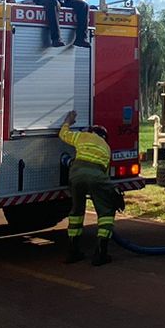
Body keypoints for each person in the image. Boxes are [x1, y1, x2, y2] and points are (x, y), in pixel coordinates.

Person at [59, 108, 121, 265]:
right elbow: (104, 175)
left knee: (77, 211)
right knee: (106, 212)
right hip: (98, 179)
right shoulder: (107, 148)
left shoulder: (83, 136)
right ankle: (101, 253)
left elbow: (63, 135)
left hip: (76, 176)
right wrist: (111, 195)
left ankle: (73, 251)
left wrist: (68, 121)